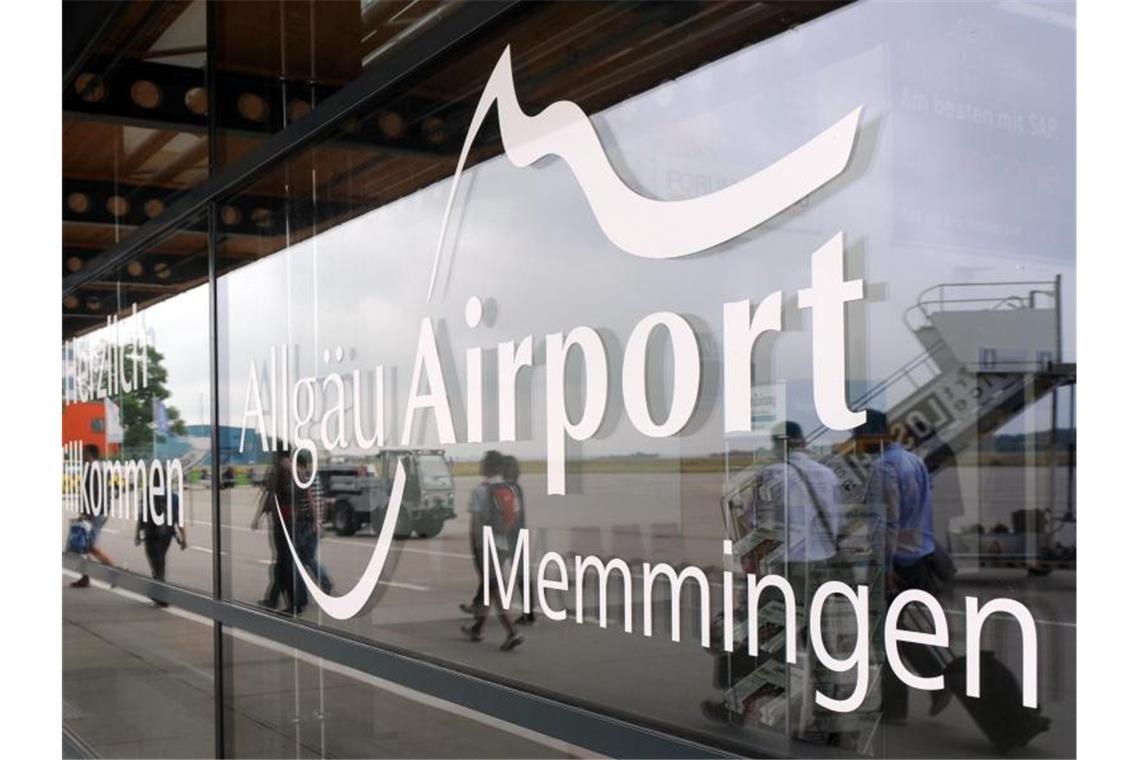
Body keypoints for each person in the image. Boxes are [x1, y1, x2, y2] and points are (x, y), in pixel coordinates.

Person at [700, 421, 844, 739]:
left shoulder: (773, 475)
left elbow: (760, 526)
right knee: (820, 644)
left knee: (765, 639)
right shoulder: (829, 475)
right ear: (803, 442)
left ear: (778, 445)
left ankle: (739, 707)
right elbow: (838, 523)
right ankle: (827, 722)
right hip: (821, 568)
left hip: (784, 571)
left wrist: (753, 567)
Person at [855, 409, 948, 721]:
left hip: (898, 561)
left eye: (859, 436)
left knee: (884, 635)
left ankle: (897, 707)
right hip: (921, 555)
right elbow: (924, 509)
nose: (857, 443)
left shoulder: (884, 468)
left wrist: (884, 567)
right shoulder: (914, 460)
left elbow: (887, 522)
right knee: (899, 631)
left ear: (875, 435)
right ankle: (933, 681)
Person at [460, 450, 523, 651]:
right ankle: (477, 629)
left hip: (486, 547)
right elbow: (514, 518)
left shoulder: (480, 491)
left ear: (487, 466)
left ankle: (512, 631)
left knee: (495, 590)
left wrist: (477, 549)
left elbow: (476, 525)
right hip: (503, 544)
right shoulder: (508, 489)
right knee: (489, 588)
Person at [70, 444, 116, 588]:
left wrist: (86, 513)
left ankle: (114, 574)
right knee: (83, 546)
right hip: (99, 511)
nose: (82, 455)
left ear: (89, 454)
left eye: (84, 452)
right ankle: (85, 577)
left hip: (95, 512)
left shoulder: (92, 469)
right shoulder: (100, 468)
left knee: (89, 546)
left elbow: (95, 493)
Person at [134, 490, 187, 607]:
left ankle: (161, 595)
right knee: (160, 562)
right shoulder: (174, 496)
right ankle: (157, 593)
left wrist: (138, 532)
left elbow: (142, 515)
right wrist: (183, 538)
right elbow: (179, 517)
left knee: (156, 564)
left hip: (152, 533)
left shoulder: (148, 494)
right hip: (167, 534)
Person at [502, 455, 535, 626]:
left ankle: (481, 609)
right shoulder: (517, 487)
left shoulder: (507, 488)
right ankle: (529, 611)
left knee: (493, 573)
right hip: (519, 533)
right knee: (522, 573)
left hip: (510, 535)